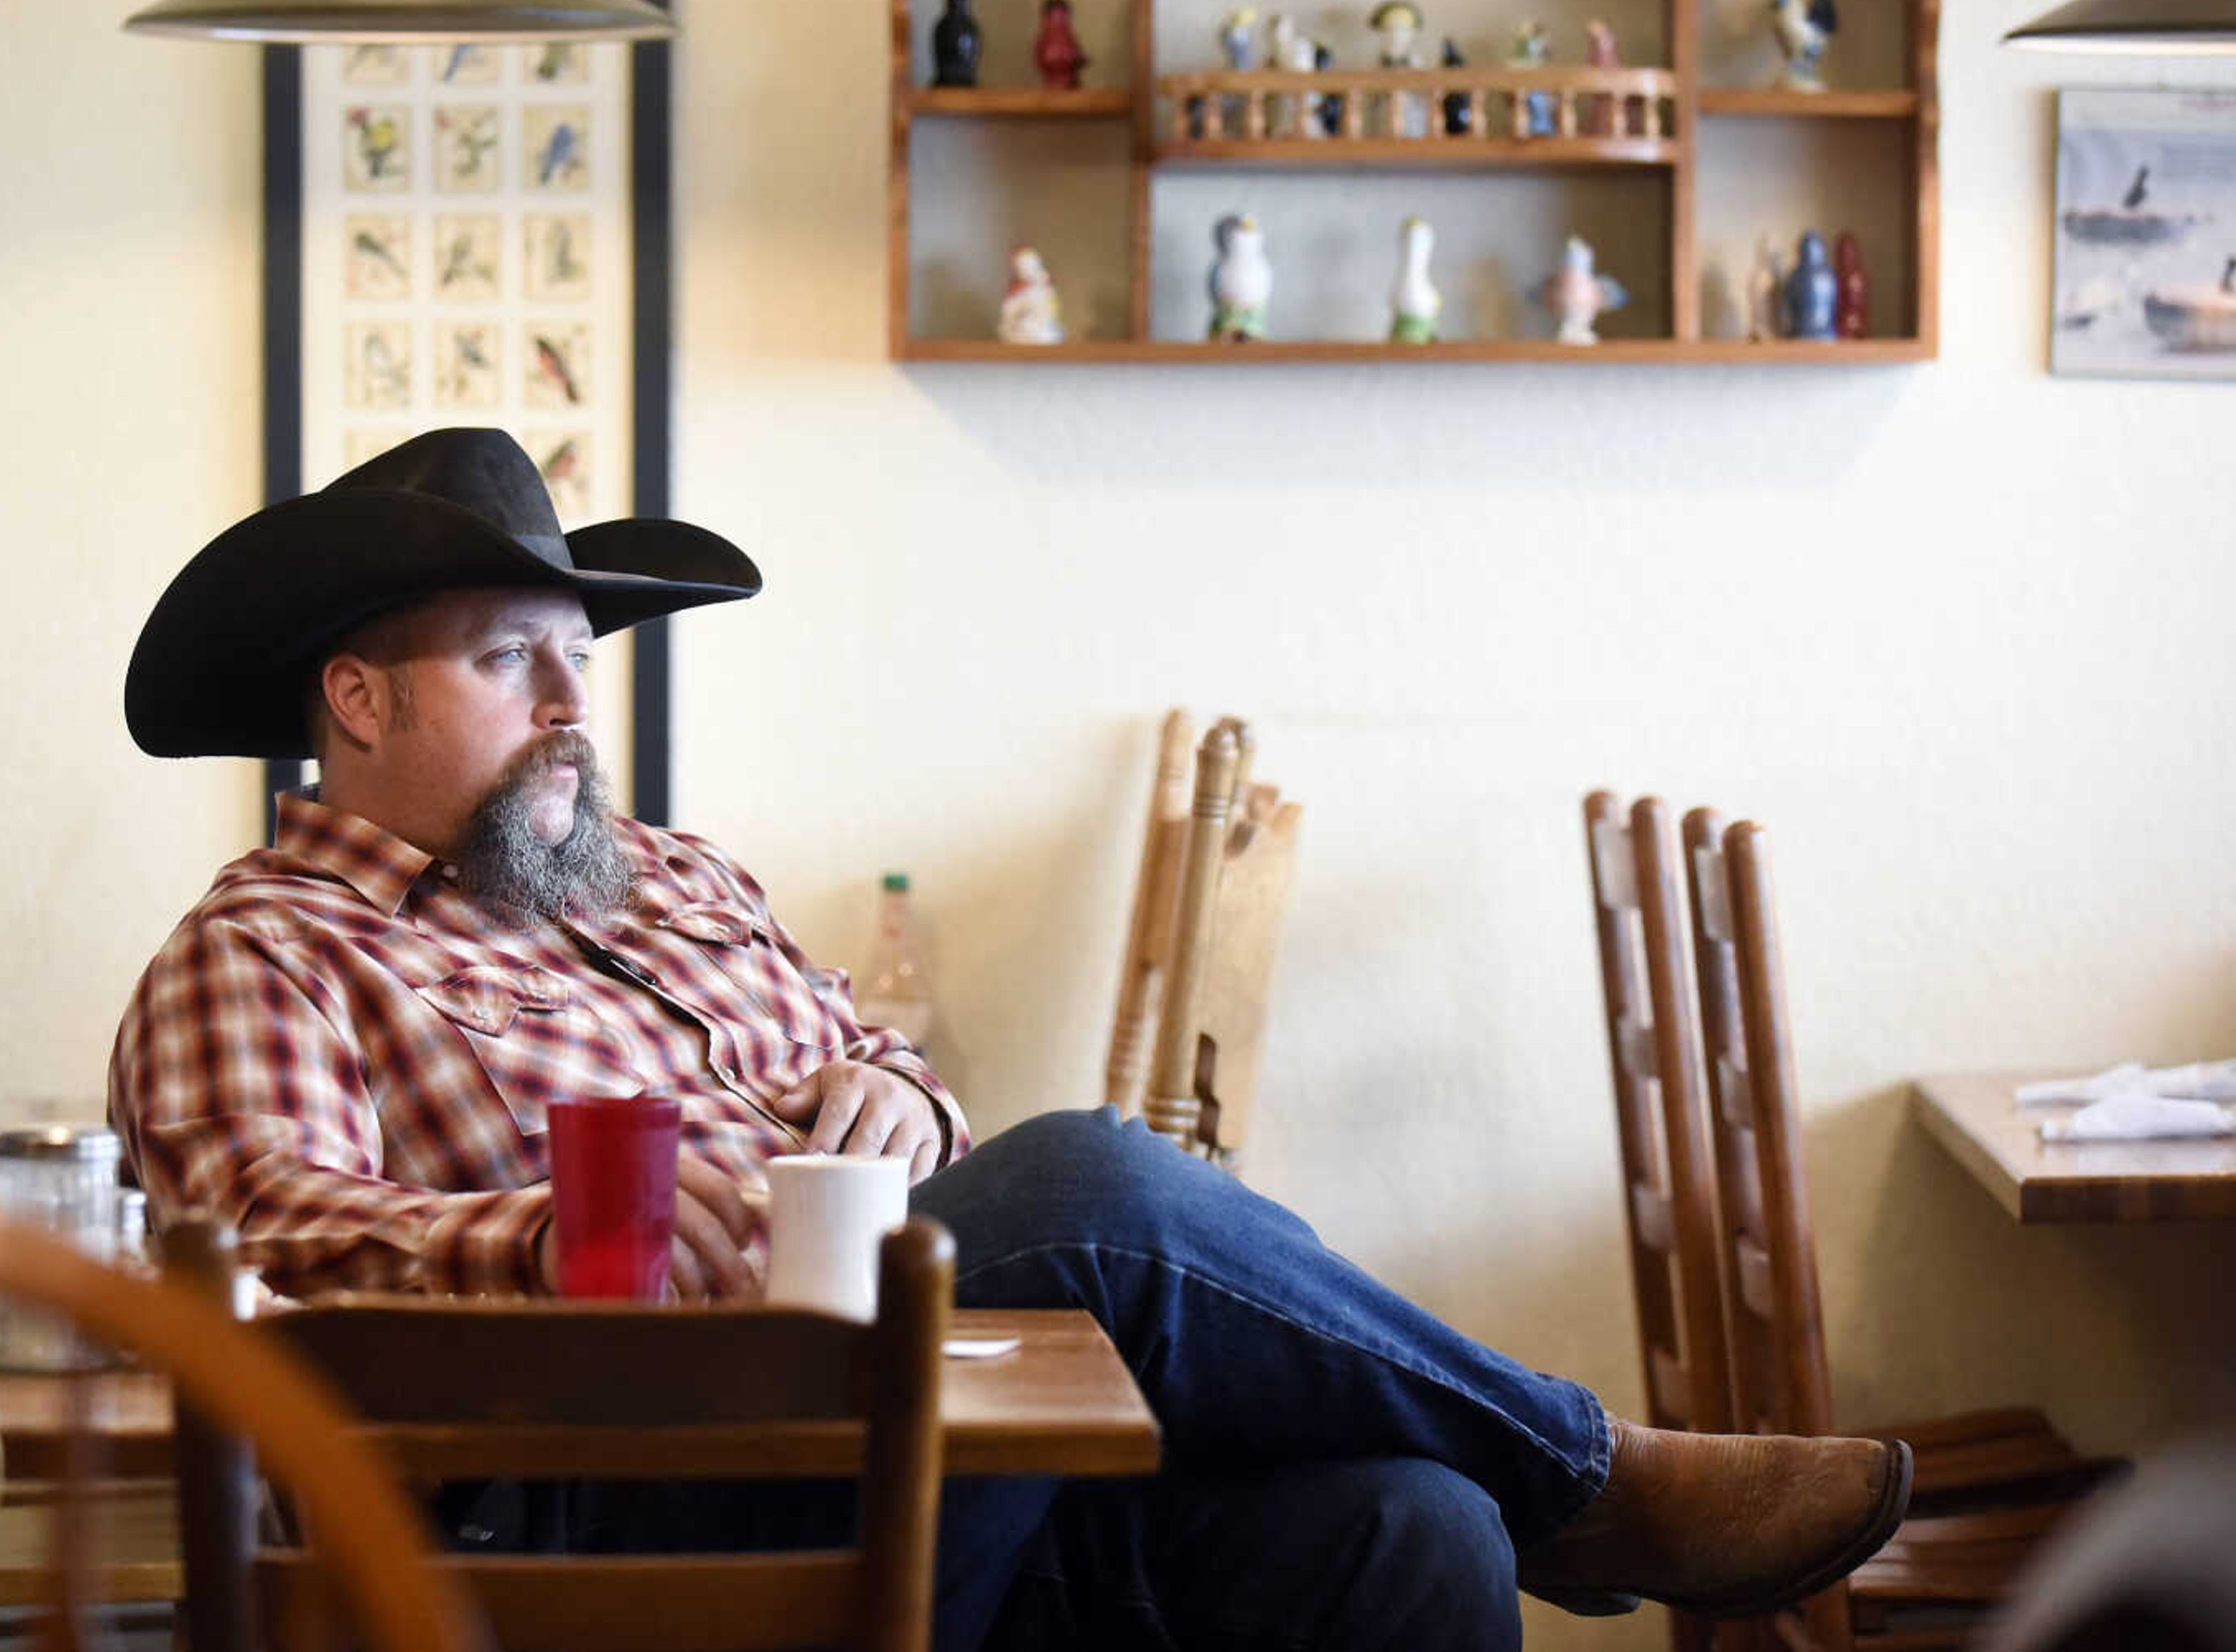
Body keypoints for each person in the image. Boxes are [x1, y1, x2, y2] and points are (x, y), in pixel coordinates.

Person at [112, 428, 1912, 1652]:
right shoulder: (267, 947)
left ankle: (1532, 1489)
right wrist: (659, 1226)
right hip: (615, 1524)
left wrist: (897, 1090)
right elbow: (253, 1253)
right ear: (357, 700)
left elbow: (900, 1106)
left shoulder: (677, 880)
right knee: (1098, 1177)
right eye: (520, 658)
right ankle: (1593, 1479)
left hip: (936, 1462)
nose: (581, 705)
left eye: (585, 657)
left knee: (1409, 1526)